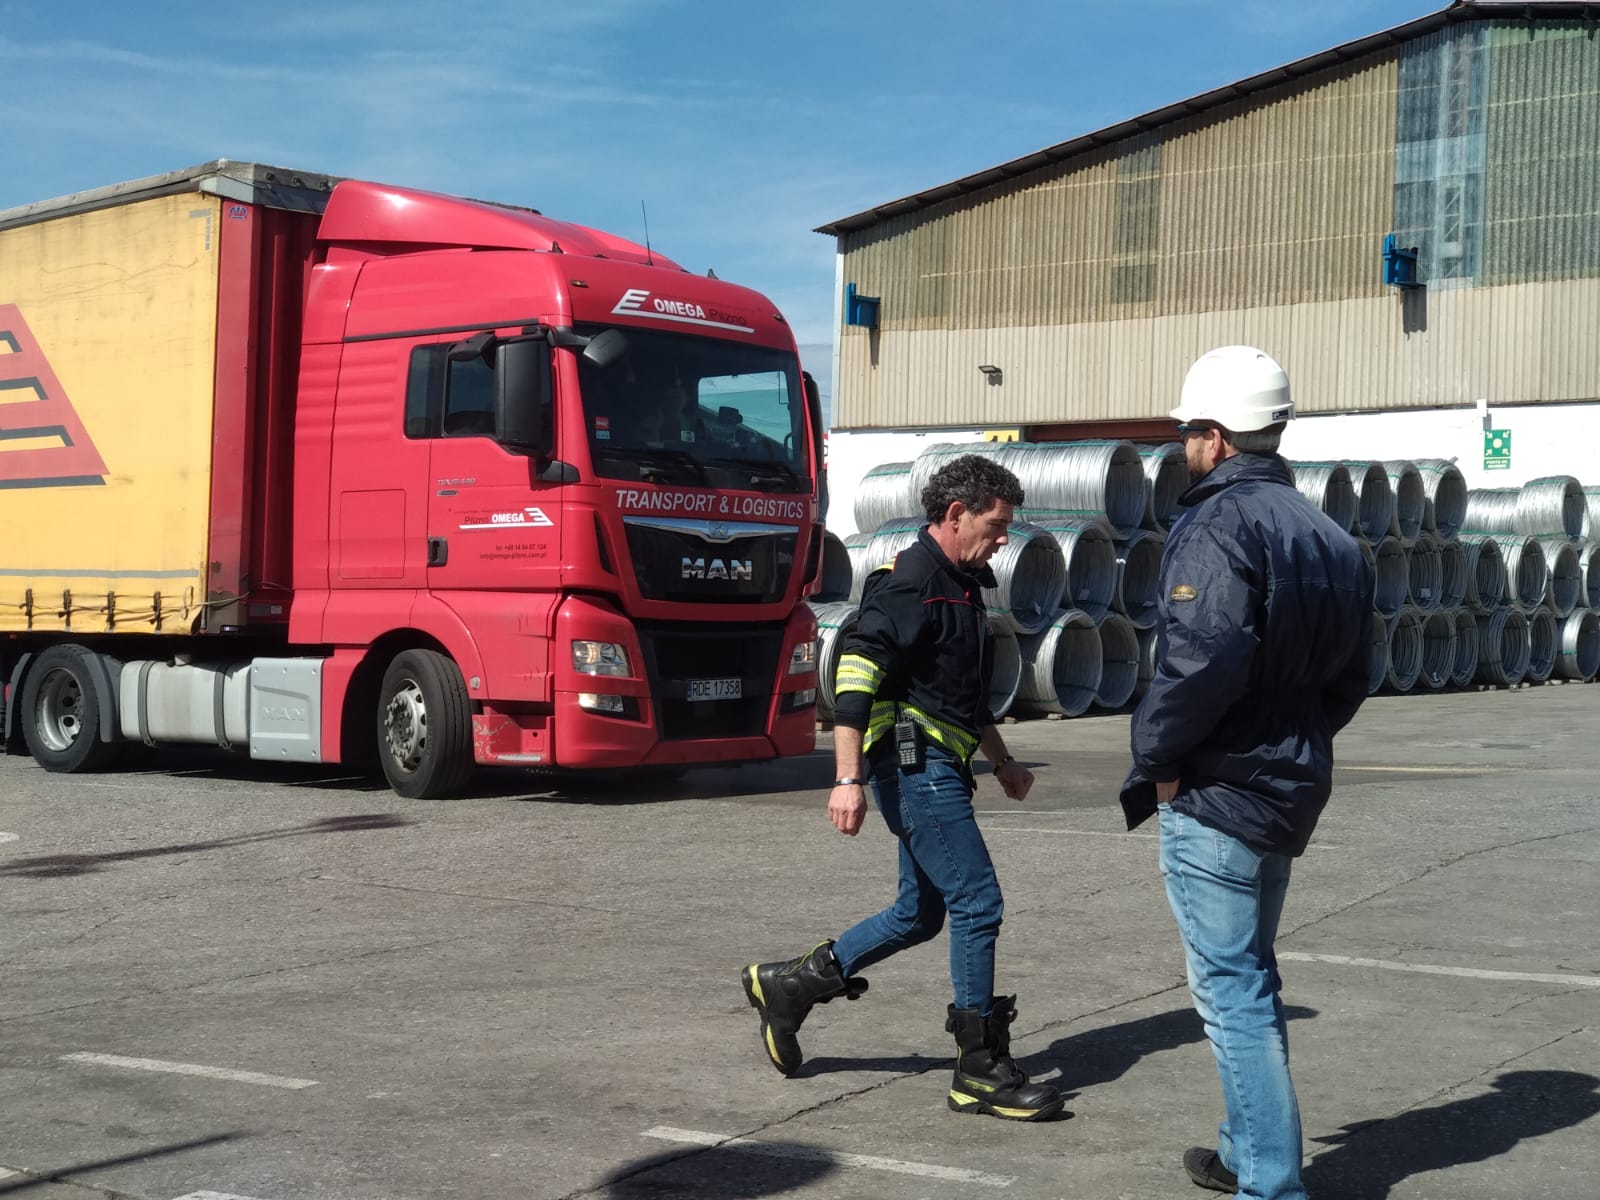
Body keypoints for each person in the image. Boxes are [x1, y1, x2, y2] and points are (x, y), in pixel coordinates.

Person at [1118, 346, 1375, 1199]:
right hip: (1290, 786)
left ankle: (1271, 1183)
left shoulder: (1219, 524)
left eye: (1191, 431)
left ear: (1218, 438)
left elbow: (1202, 658)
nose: (1186, 447)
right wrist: (1298, 736)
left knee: (1232, 996)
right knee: (1253, 975)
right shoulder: (1333, 538)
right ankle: (1240, 1150)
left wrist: (1154, 758)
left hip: (1217, 789)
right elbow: (1354, 674)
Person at [741, 454, 1064, 1123]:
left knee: (920, 914)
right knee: (977, 901)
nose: (1004, 538)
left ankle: (792, 985)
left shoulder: (963, 585)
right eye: (996, 524)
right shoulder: (910, 584)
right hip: (914, 773)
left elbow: (961, 695)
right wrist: (848, 778)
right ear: (955, 515)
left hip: (941, 768)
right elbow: (854, 673)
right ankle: (977, 1068)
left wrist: (1002, 762)